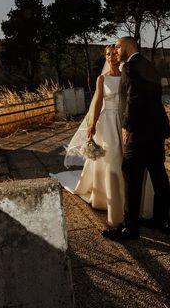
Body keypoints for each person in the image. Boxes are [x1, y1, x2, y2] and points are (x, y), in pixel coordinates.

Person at [57, 45, 153, 228]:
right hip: (107, 122)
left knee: (129, 159)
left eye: (114, 53)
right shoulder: (102, 78)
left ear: (119, 55)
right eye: (107, 54)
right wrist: (92, 124)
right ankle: (111, 203)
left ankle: (131, 203)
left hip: (124, 120)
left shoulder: (127, 74)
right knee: (112, 160)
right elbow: (98, 101)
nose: (111, 57)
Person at [102, 36, 170, 241]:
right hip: (156, 131)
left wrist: (127, 126)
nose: (116, 49)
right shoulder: (149, 65)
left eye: (118, 46)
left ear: (128, 46)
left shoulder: (130, 67)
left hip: (139, 133)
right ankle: (162, 220)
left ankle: (130, 228)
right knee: (159, 175)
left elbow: (134, 98)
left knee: (131, 177)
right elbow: (154, 96)